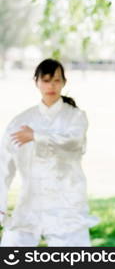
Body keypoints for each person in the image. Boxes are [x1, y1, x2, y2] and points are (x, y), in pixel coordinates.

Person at [0, 59, 98, 246]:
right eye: (45, 80)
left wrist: (37, 135)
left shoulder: (75, 117)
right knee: (12, 248)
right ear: (36, 82)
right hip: (30, 202)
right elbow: (3, 165)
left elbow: (73, 143)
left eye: (56, 80)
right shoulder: (21, 121)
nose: (51, 86)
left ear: (64, 82)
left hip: (67, 202)